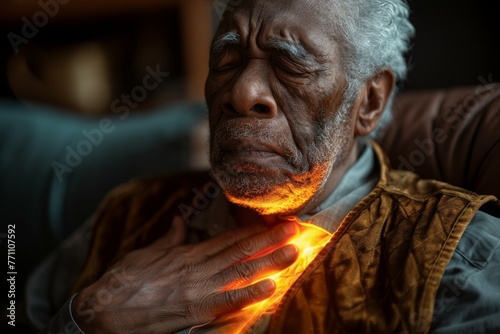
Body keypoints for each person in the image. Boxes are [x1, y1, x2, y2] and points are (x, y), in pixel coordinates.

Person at [29, 0, 500, 333]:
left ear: (370, 101)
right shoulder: (128, 213)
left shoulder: (455, 258)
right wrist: (87, 320)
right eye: (228, 60)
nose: (243, 93)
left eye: (290, 64)